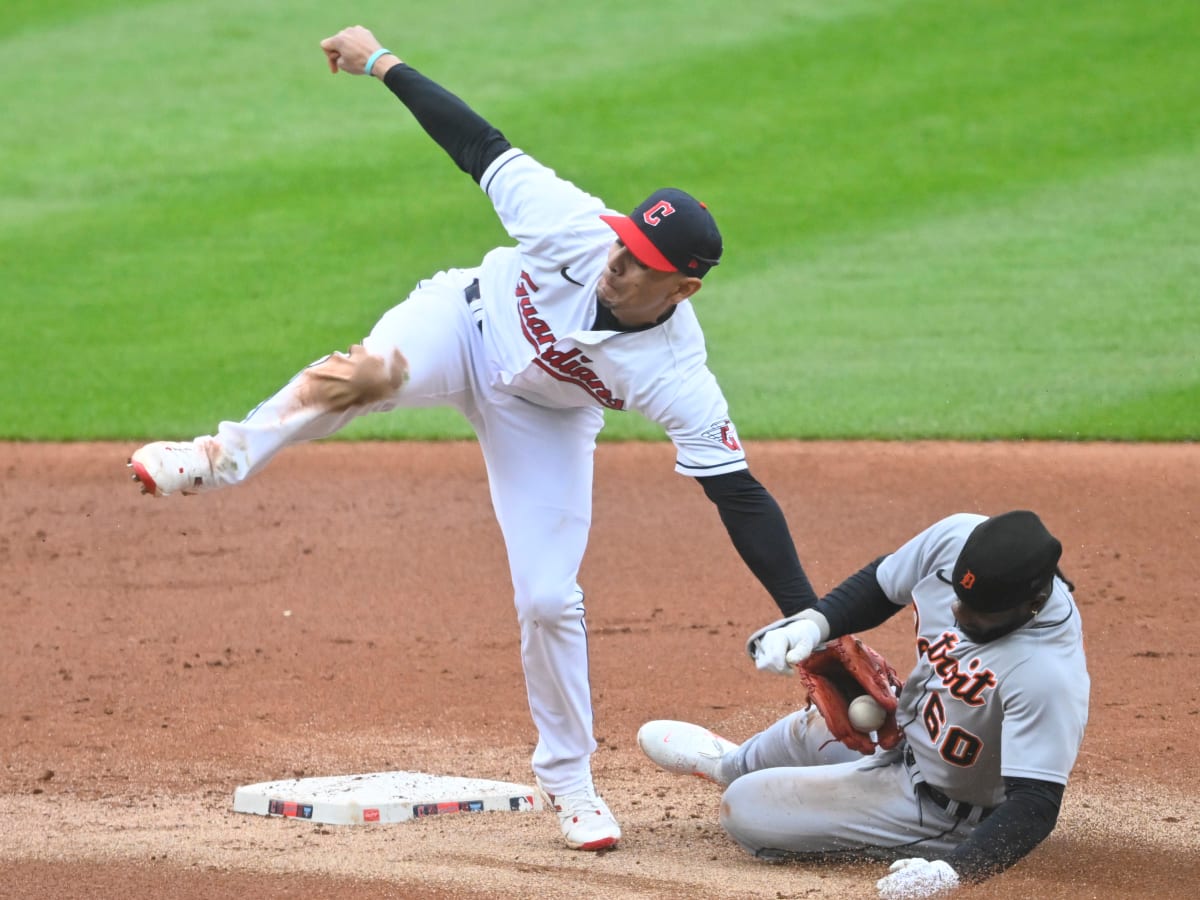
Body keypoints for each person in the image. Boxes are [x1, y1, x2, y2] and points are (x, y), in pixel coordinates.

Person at [126, 25, 820, 852]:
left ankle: (570, 782)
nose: (617, 262)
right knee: (371, 373)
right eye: (625, 242)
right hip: (465, 322)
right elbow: (476, 143)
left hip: (547, 418)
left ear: (685, 285)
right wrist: (380, 61)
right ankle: (218, 458)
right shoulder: (576, 227)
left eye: (639, 262)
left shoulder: (678, 373)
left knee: (549, 599)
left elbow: (737, 493)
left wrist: (809, 617)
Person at [638, 510, 1089, 896]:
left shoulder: (1048, 674)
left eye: (978, 613)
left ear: (1032, 604)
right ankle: (728, 762)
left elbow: (1035, 803)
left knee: (744, 809)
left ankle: (924, 843)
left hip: (943, 807)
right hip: (904, 733)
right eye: (958, 596)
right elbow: (882, 582)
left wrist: (955, 872)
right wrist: (815, 625)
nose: (958, 613)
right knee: (815, 727)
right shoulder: (956, 538)